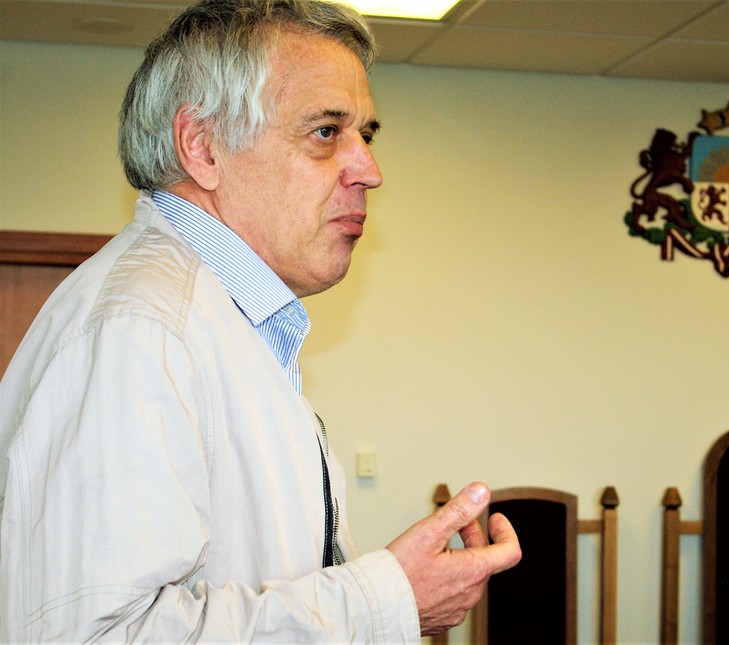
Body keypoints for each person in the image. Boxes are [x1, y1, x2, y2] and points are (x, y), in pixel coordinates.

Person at [0, 0, 521, 641]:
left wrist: (394, 589)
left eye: (367, 135)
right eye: (326, 132)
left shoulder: (228, 324)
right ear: (202, 147)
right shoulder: (141, 329)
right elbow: (97, 634)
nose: (370, 171)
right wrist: (385, 601)